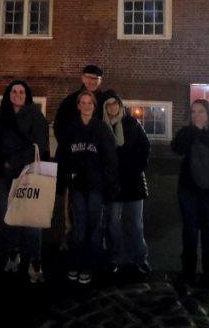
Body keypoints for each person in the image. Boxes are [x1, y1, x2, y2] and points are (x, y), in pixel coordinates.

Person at [57, 90, 119, 285]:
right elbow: (63, 157)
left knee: (95, 227)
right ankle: (75, 263)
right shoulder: (71, 129)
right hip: (76, 185)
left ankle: (88, 266)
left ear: (94, 106)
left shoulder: (101, 129)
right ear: (78, 106)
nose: (85, 106)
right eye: (82, 103)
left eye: (89, 103)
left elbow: (110, 159)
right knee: (78, 226)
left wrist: (109, 185)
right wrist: (64, 179)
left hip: (96, 186)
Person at [0, 80, 50, 283]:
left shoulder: (35, 114)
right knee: (9, 216)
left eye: (22, 92)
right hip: (4, 175)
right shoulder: (1, 115)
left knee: (32, 218)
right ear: (9, 94)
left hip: (28, 173)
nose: (18, 94)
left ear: (27, 95)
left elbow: (40, 144)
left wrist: (13, 162)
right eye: (14, 91)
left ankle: (35, 260)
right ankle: (13, 252)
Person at [171, 99, 209, 288]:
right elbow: (176, 148)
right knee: (189, 231)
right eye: (193, 112)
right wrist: (193, 132)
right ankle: (188, 271)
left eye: (201, 111)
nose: (196, 115)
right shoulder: (187, 132)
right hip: (188, 189)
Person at [101, 90, 152, 280]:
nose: (112, 107)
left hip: (132, 181)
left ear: (120, 106)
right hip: (113, 183)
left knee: (135, 223)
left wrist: (139, 166)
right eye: (108, 105)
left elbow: (145, 146)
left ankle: (138, 259)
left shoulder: (131, 123)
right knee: (113, 223)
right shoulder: (102, 127)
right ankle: (115, 258)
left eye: (115, 103)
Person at [53, 65, 104, 149]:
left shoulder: (105, 100)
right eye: (89, 78)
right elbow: (59, 126)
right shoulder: (69, 101)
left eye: (96, 79)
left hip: (98, 153)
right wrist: (68, 147)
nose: (92, 81)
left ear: (100, 81)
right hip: (73, 151)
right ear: (83, 78)